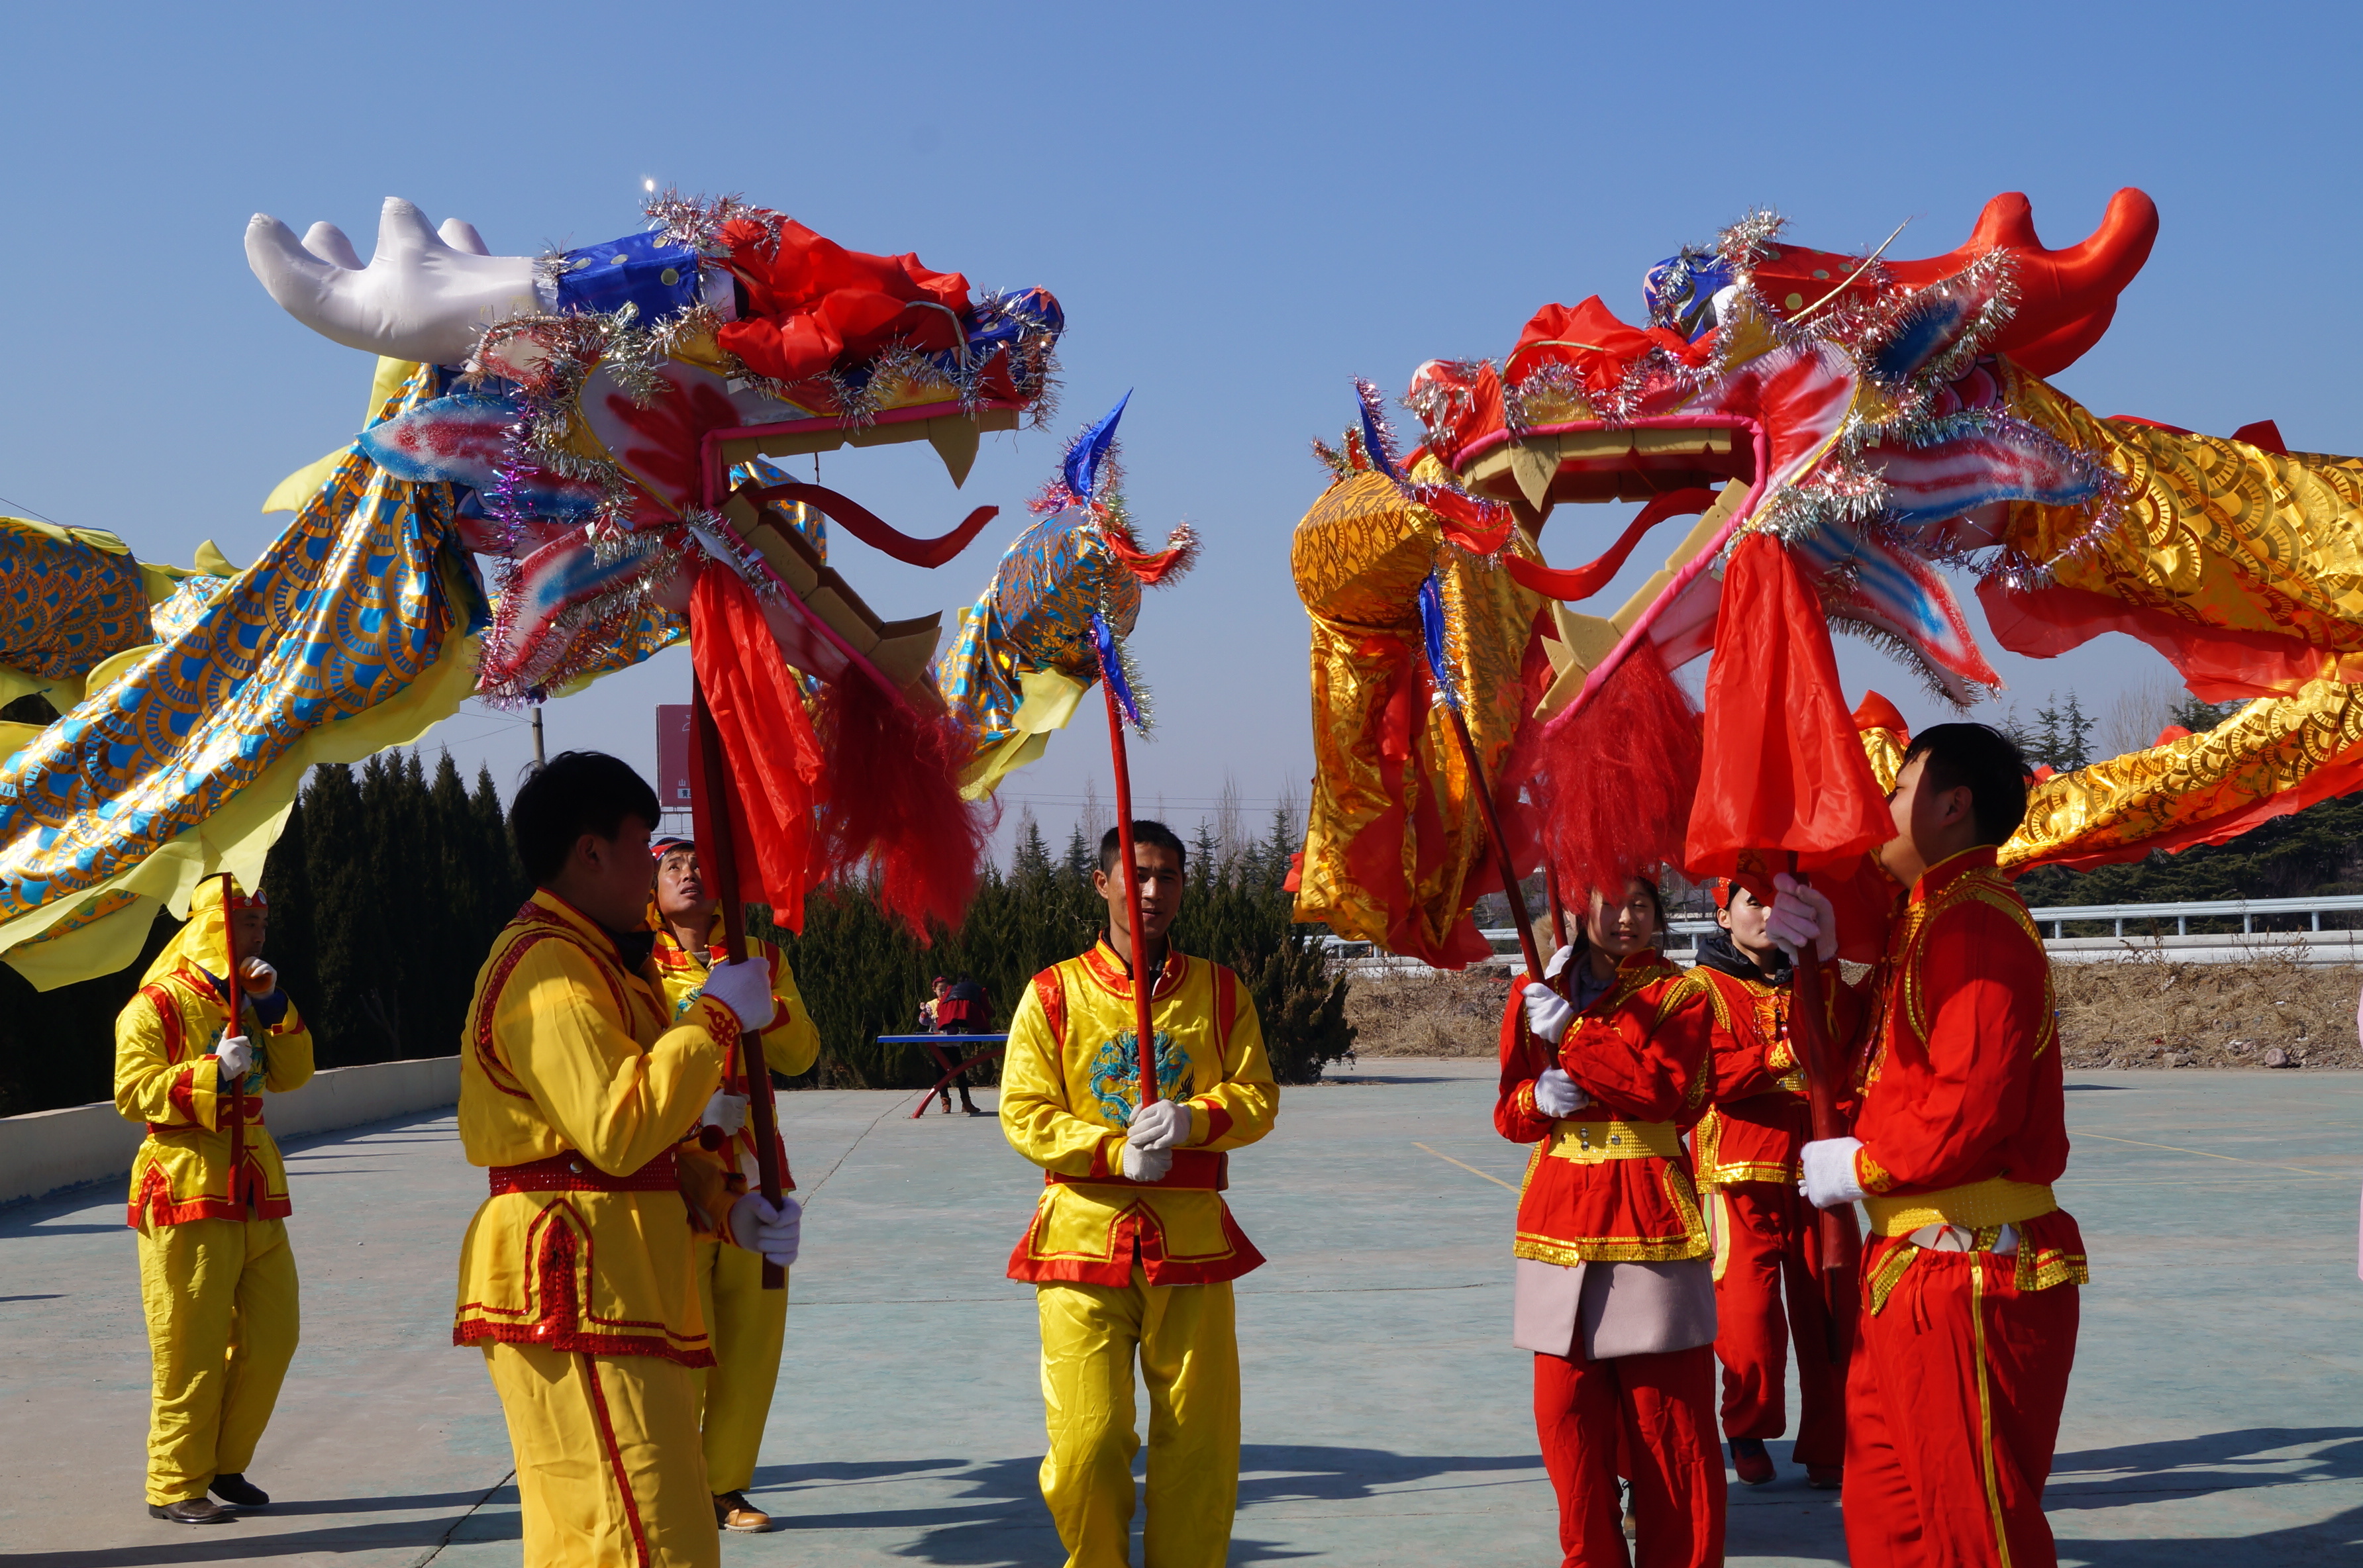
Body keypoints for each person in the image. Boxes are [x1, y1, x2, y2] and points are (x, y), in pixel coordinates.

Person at [454, 752, 798, 1568]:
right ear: (592, 852)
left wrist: (723, 1204)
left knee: (612, 1533)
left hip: (619, 1279)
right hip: (579, 1284)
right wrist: (714, 1019)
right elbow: (616, 1126)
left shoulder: (604, 964)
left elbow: (640, 1147)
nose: (655, 863)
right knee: (643, 1539)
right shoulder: (548, 964)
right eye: (645, 843)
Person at [1772, 723, 2084, 1568]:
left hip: (1970, 1266)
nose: (1882, 812)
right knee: (1891, 1521)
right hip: (1915, 1265)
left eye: (1898, 791)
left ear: (1953, 806)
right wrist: (1818, 962)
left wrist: (1864, 1165)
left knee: (1970, 1529)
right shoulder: (1927, 922)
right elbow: (1844, 1065)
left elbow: (1970, 1105)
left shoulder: (1975, 924)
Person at [998, 820, 1278, 1568]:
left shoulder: (1220, 991)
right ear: (1102, 882)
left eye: (1169, 876)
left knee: (1200, 1443)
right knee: (1087, 1443)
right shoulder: (1052, 992)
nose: (1153, 890)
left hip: (1191, 1245)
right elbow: (1022, 1111)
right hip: (1080, 1244)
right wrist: (1109, 1150)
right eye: (1138, 873)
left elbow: (1256, 1097)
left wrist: (1194, 1118)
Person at [1502, 876, 1725, 1567]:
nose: (1625, 917)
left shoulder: (1682, 994)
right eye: (1608, 902)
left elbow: (1663, 1095)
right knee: (1567, 1429)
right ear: (1576, 908)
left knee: (1671, 1435)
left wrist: (1574, 1035)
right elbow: (1508, 1114)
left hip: (1648, 1218)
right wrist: (1537, 1097)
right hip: (1556, 1224)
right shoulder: (1535, 991)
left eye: (1641, 904)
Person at [114, 873, 314, 1524]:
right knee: (188, 1347)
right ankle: (175, 1482)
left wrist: (276, 1001)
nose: (258, 935)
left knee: (274, 1336)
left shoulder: (252, 999)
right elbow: (132, 1090)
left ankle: (224, 1461)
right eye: (244, 923)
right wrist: (210, 1071)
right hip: (186, 1186)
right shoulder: (155, 1006)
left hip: (256, 1186)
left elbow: (293, 1073)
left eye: (261, 924)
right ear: (209, 924)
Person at [647, 833, 823, 1535]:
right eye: (673, 866)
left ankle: (725, 1486)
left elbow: (801, 1051)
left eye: (701, 865)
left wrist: (766, 1005)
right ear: (651, 884)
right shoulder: (632, 959)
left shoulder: (760, 955)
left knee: (752, 1342)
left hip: (754, 1168)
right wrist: (689, 1113)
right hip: (674, 1171)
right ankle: (675, 1479)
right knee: (684, 1340)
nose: (689, 875)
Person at [1691, 879, 1845, 1490]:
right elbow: (1707, 1073)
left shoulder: (1813, 979)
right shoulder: (1698, 989)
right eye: (1752, 901)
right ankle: (1748, 1427)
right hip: (1740, 1174)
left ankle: (1832, 1440)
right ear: (1723, 915)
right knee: (1748, 1317)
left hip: (1818, 1174)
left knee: (1830, 1312)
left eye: (1774, 901)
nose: (1765, 913)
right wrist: (1785, 1055)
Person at [926, 973, 987, 1116]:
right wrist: (924, 1014)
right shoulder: (932, 1004)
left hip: (953, 1044)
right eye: (940, 989)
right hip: (939, 1046)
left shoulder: (952, 999)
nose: (943, 992)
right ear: (934, 990)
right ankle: (945, 1102)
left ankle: (966, 1102)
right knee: (941, 1076)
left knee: (961, 1074)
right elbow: (924, 1022)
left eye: (946, 989)